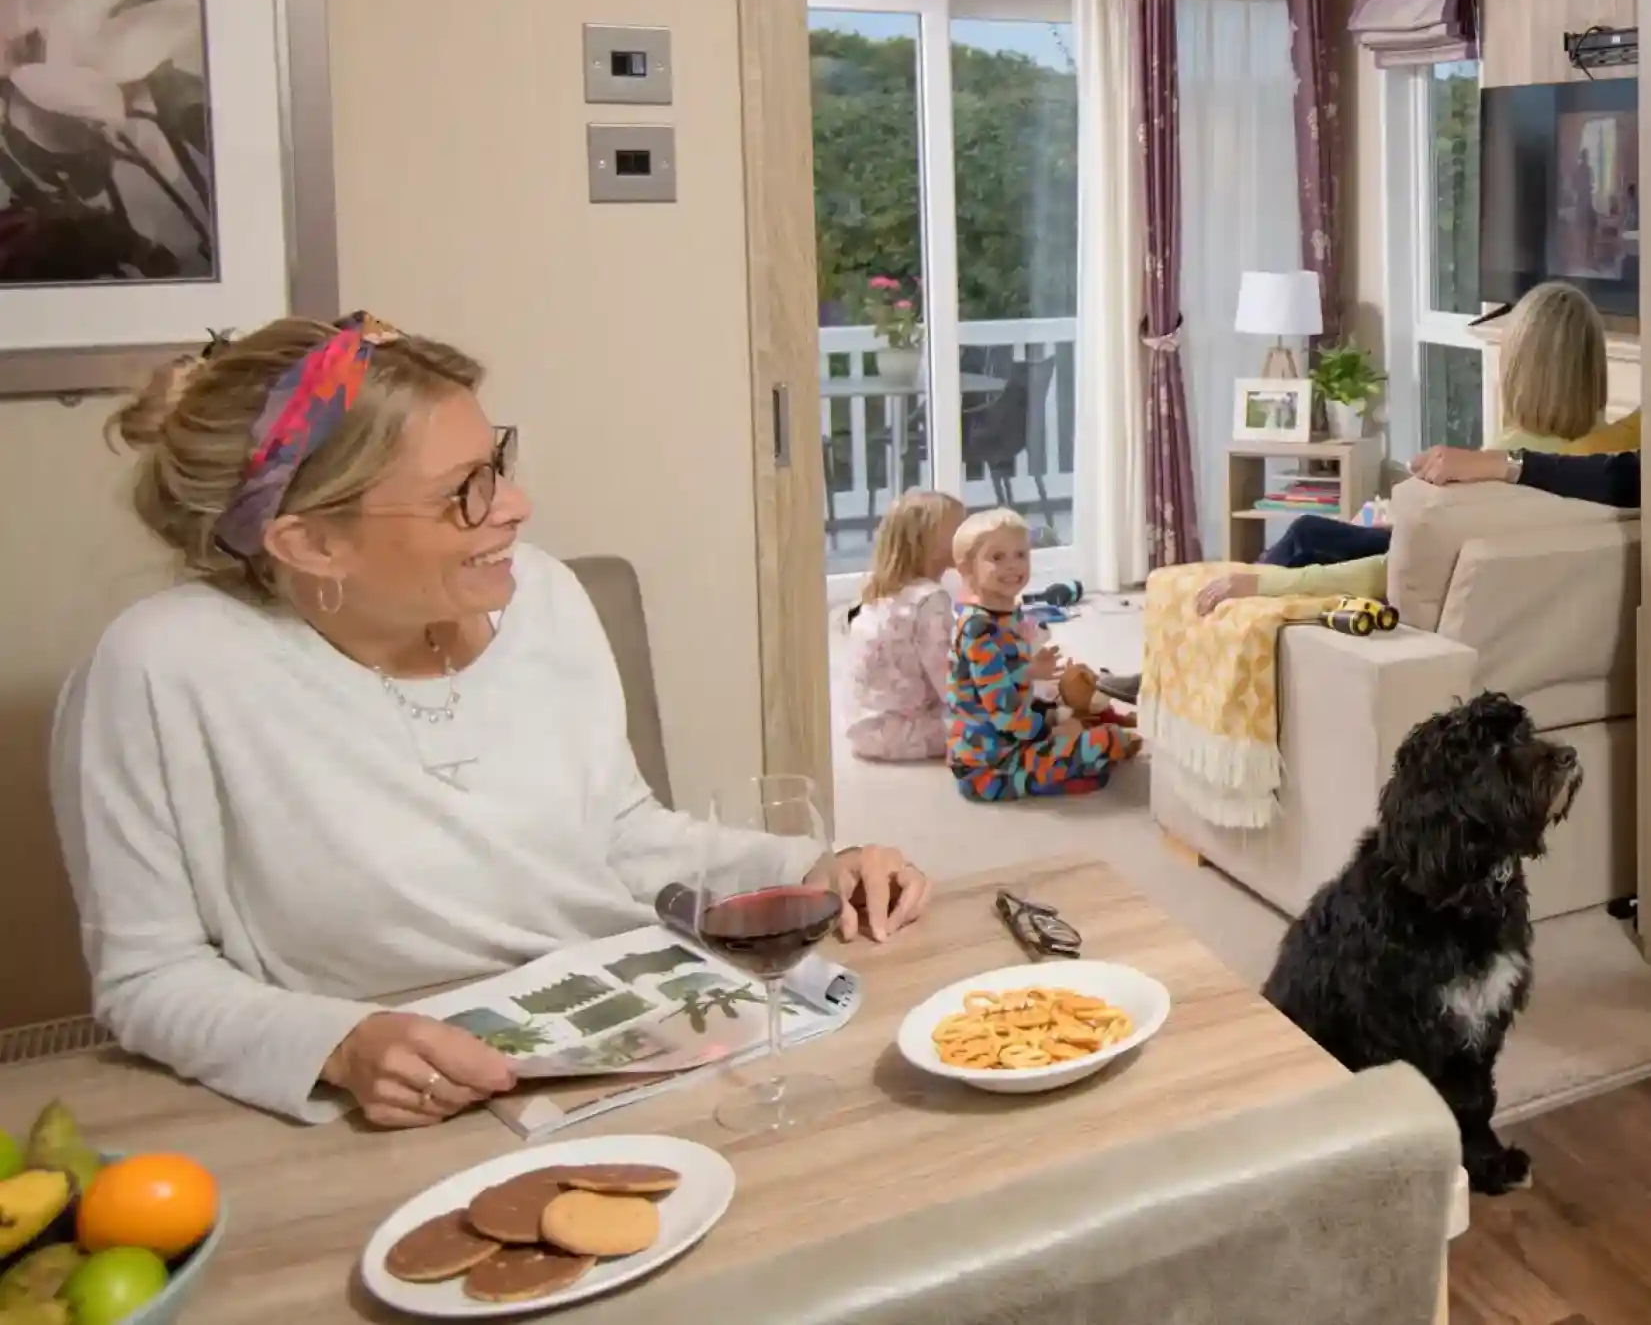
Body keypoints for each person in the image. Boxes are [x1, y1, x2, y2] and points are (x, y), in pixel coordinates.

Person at [50, 314, 936, 1128]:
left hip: (628, 1045)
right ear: (311, 543)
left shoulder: (543, 595)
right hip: (393, 1112)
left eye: (497, 462)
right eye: (463, 491)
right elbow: (148, 977)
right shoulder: (162, 670)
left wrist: (806, 868)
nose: (515, 505)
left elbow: (621, 836)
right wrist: (342, 1048)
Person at [1194, 280, 1634, 617]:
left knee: (1306, 536)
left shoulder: (1500, 465)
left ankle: (1230, 615)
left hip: (1423, 576)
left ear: (1519, 366)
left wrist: (1261, 586)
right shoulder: (1613, 457)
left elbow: (1396, 571)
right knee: (1317, 533)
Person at [945, 508, 1138, 802]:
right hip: (989, 766)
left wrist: (1030, 671)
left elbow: (999, 680)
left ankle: (1063, 765)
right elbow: (1005, 714)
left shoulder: (1003, 615)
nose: (1013, 565)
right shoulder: (979, 630)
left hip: (1007, 743)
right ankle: (1041, 777)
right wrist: (1051, 730)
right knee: (1107, 740)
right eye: (997, 557)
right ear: (967, 569)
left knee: (1086, 720)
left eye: (1021, 555)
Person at [842, 489, 966, 762]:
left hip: (864, 729)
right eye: (959, 529)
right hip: (905, 732)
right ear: (929, 541)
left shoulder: (877, 592)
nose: (969, 536)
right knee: (1004, 726)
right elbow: (950, 684)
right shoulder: (930, 599)